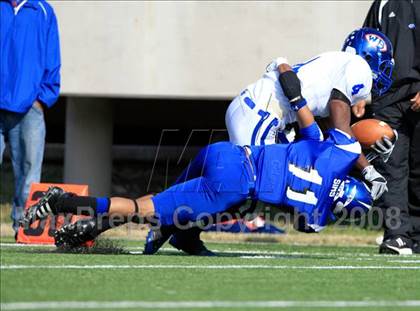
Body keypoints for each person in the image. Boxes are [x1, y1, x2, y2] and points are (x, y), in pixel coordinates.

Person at [20, 65, 373, 255]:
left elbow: (320, 113)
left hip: (228, 153)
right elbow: (302, 224)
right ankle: (62, 200)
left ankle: (173, 235)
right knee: (145, 209)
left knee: (165, 204)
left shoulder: (333, 153)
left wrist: (292, 86)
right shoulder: (319, 216)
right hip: (232, 185)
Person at [143, 27, 396, 255]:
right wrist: (368, 169)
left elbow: (337, 135)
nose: (383, 71)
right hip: (265, 113)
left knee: (242, 191)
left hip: (262, 111)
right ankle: (167, 223)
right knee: (247, 190)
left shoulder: (337, 69)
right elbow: (341, 123)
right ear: (370, 54)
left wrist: (367, 168)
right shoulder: (358, 68)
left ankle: (178, 227)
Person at [363, 0, 420, 255]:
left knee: (418, 170)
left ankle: (417, 235)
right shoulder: (382, 3)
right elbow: (364, 46)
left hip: (417, 91)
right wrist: (361, 91)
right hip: (387, 99)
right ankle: (398, 236)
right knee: (391, 169)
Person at [0, 0, 61, 234]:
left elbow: (53, 57)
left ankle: (23, 229)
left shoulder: (43, 11)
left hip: (29, 107)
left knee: (29, 174)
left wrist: (42, 98)